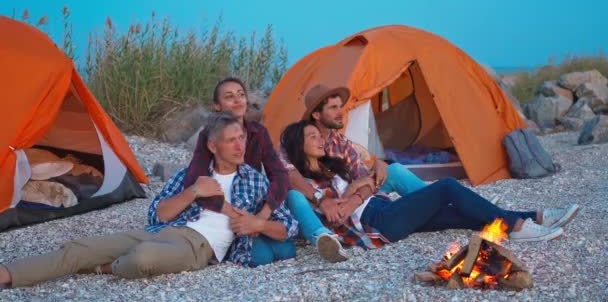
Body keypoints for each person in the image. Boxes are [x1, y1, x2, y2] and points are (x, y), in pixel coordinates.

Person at [0, 113, 298, 288]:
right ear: (212, 145)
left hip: (199, 249)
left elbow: (287, 227)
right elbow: (159, 215)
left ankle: (106, 267)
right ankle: (9, 273)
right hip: (164, 232)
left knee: (143, 258)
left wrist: (258, 223)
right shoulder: (191, 175)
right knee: (81, 248)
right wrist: (193, 192)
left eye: (242, 138)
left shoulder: (255, 181)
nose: (240, 145)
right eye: (231, 139)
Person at [281, 120, 579, 262]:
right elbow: (334, 208)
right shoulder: (309, 183)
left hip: (381, 206)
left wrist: (357, 190)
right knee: (448, 187)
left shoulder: (333, 166)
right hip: (378, 222)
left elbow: (370, 181)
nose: (321, 140)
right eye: (312, 137)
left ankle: (536, 217)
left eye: (319, 135)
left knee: (458, 214)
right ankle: (516, 227)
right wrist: (351, 194)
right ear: (299, 145)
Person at [281, 84, 428, 262]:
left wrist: (375, 169)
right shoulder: (296, 139)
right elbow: (286, 173)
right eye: (333, 108)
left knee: (393, 170)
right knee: (294, 194)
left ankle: (432, 203)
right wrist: (321, 199)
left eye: (340, 107)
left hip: (347, 201)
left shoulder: (342, 144)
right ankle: (324, 238)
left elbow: (364, 176)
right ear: (317, 115)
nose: (340, 112)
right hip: (318, 208)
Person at [185, 77, 289, 222]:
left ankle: (322, 236)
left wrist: (263, 215)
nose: (238, 100)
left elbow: (279, 174)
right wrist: (233, 213)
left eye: (241, 95)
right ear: (217, 105)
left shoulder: (258, 132)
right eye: (229, 97)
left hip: (252, 198)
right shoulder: (209, 134)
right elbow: (194, 178)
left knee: (293, 201)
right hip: (222, 200)